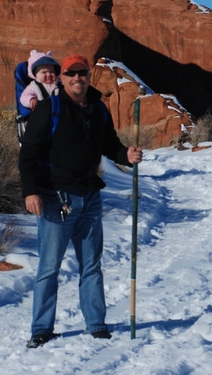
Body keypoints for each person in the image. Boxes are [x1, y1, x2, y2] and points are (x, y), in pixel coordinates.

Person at [19, 54, 143, 349]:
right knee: (49, 267)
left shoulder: (98, 109)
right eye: (71, 73)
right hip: (55, 199)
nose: (77, 78)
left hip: (90, 198)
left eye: (82, 73)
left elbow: (109, 144)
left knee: (91, 265)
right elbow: (28, 154)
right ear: (63, 78)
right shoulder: (50, 108)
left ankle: (96, 324)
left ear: (89, 76)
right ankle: (41, 329)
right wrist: (30, 191)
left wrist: (125, 155)